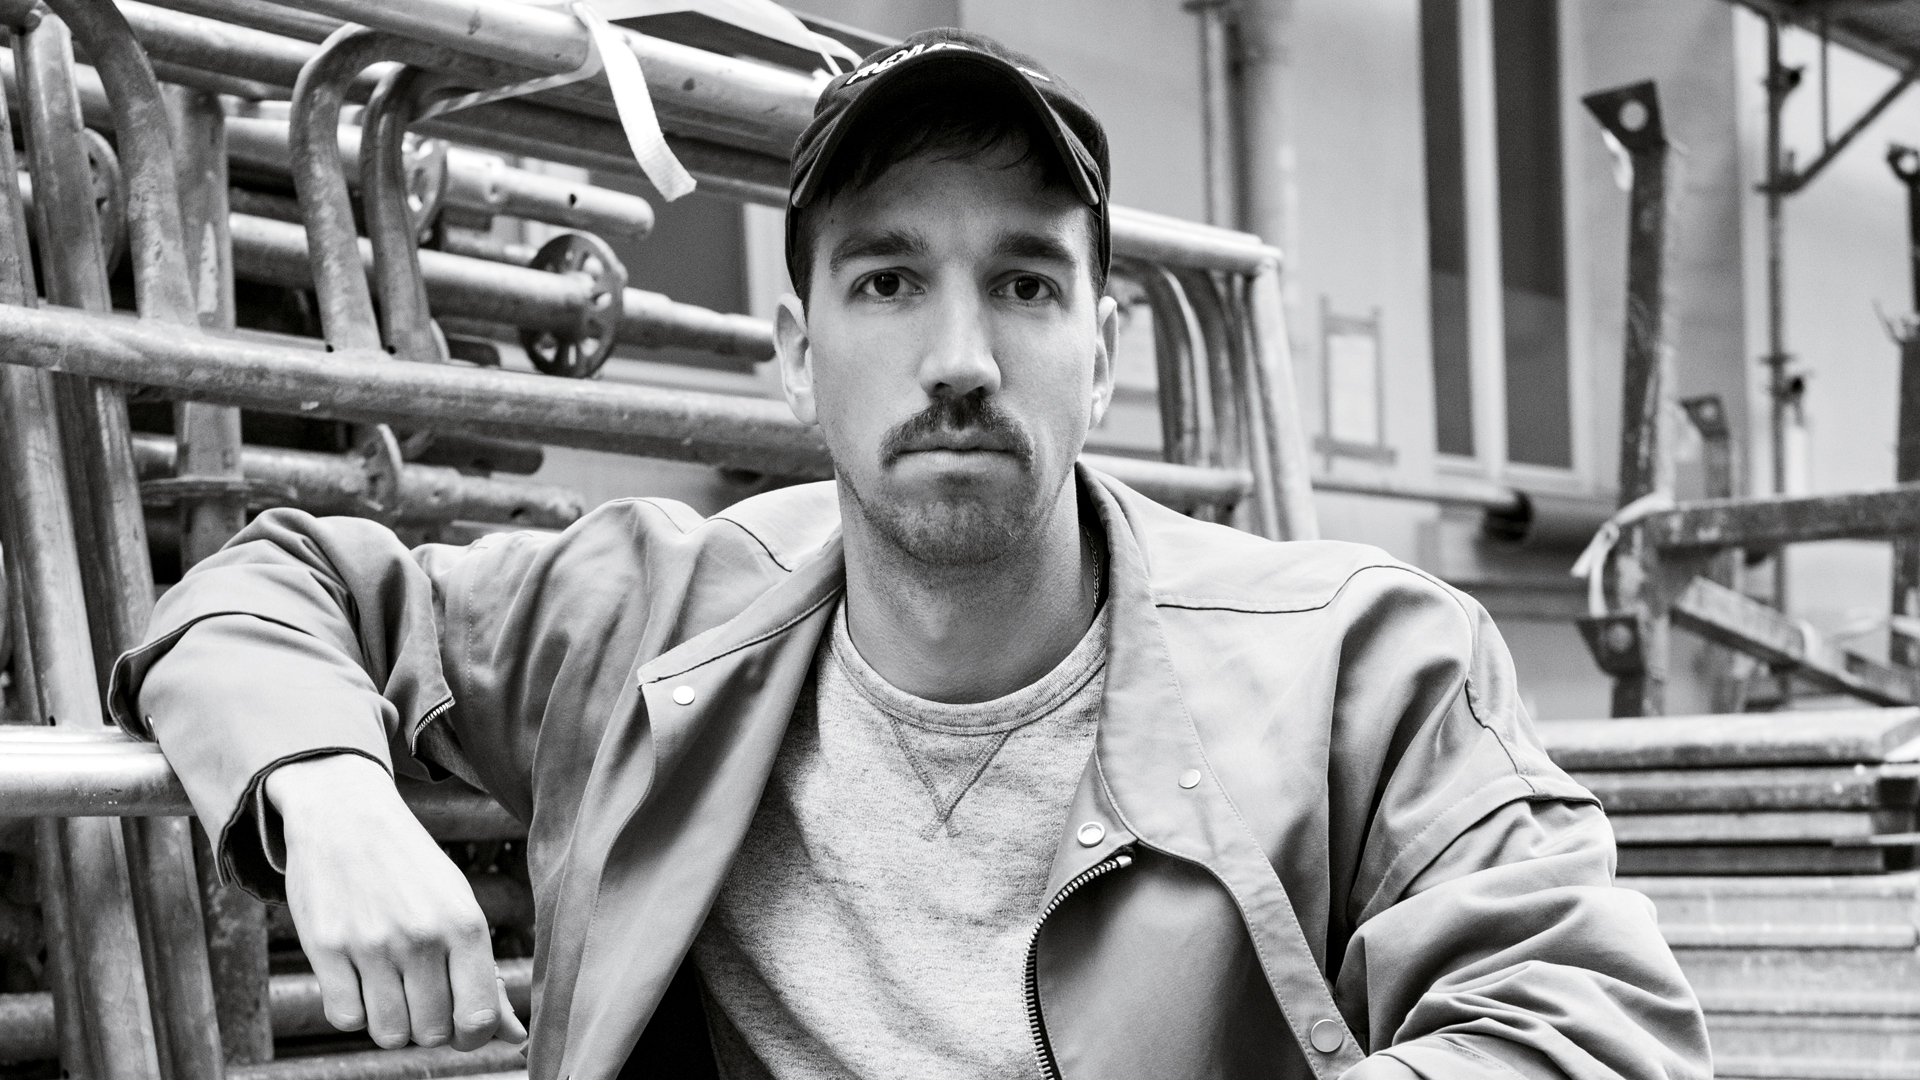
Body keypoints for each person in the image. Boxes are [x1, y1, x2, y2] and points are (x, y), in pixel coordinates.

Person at [112, 27, 1710, 1080]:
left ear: (1102, 350)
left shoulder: (1360, 663)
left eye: (1024, 284)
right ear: (794, 353)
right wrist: (323, 786)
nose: (960, 359)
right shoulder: (650, 620)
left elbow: (1589, 1029)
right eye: (887, 283)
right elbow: (276, 577)